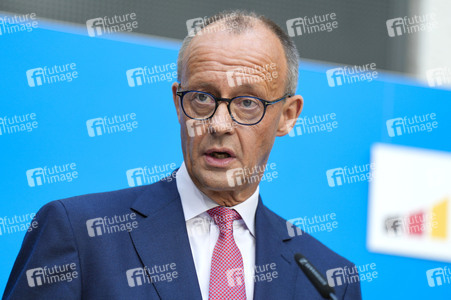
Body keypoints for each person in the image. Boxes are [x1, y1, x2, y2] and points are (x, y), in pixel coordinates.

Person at [3, 10, 362, 299]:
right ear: (178, 102)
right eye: (202, 97)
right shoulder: (79, 234)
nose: (219, 124)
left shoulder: (327, 279)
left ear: (287, 115)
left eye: (248, 103)